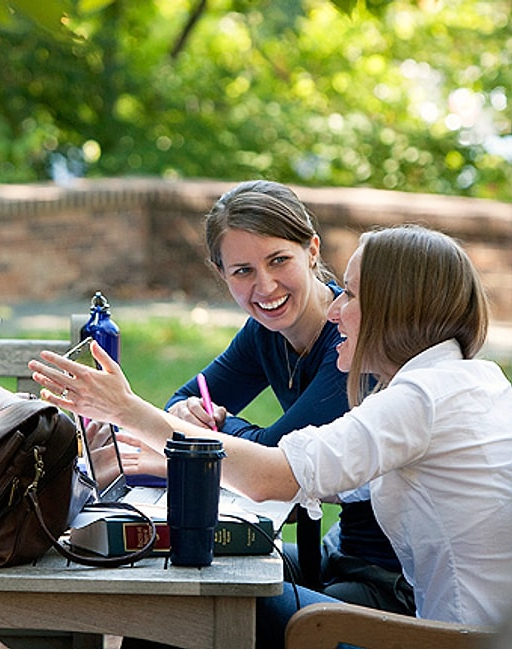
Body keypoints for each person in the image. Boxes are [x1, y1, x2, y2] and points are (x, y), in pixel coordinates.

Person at [31, 224, 512, 645]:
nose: (335, 311)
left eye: (350, 295)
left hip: (446, 641)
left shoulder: (422, 398)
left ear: (396, 308)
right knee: (195, 572)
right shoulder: (457, 383)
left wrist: (127, 409)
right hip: (452, 633)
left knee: (192, 598)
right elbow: (317, 478)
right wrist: (182, 457)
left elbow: (271, 476)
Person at [107, 180, 409, 613]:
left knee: (191, 602)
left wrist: (214, 428)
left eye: (278, 260)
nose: (265, 287)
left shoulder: (353, 340)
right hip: (334, 554)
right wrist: (188, 414)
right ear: (222, 275)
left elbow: (273, 461)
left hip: (384, 579)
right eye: (243, 271)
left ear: (312, 251)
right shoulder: (264, 333)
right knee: (168, 576)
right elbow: (181, 401)